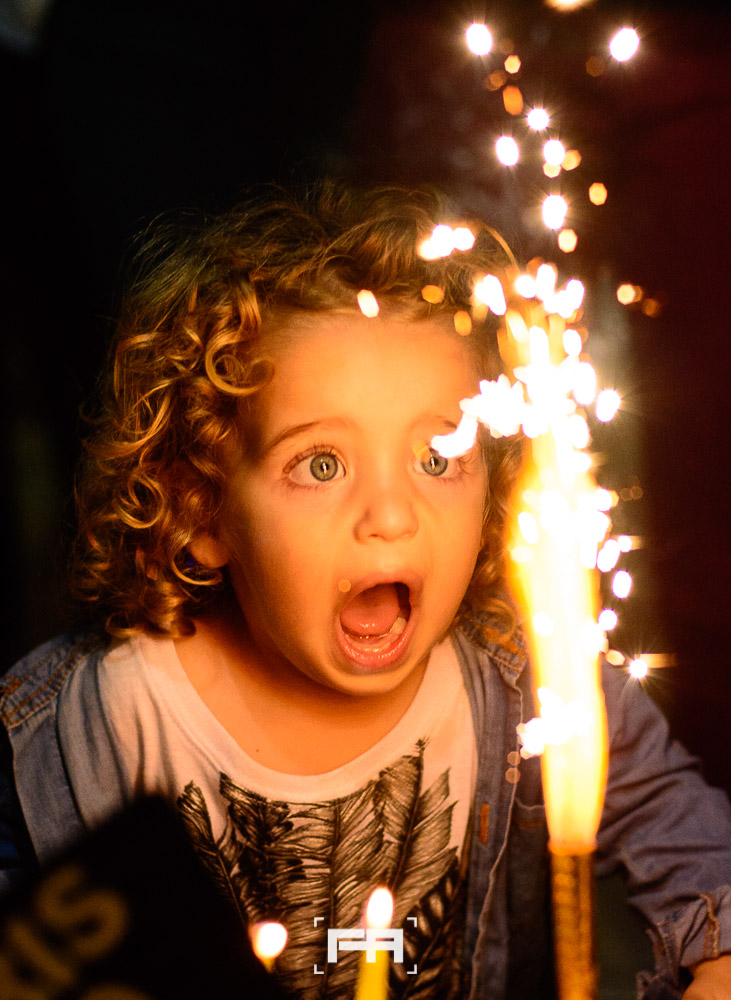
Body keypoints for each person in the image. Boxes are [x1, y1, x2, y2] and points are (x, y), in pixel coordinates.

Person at [0, 183, 729, 1000]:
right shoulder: (85, 724)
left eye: (438, 455)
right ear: (201, 509)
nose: (390, 516)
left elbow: (690, 841)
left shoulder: (535, 686)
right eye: (320, 464)